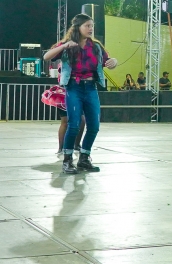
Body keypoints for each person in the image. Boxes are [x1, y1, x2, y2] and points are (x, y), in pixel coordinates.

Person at [43, 13, 117, 174]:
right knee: (74, 124)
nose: (91, 29)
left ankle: (84, 158)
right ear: (78, 27)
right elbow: (46, 56)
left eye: (92, 26)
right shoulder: (67, 45)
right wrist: (64, 46)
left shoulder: (96, 46)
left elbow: (107, 62)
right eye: (87, 26)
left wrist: (114, 62)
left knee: (94, 125)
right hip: (73, 88)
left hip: (91, 88)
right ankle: (67, 160)